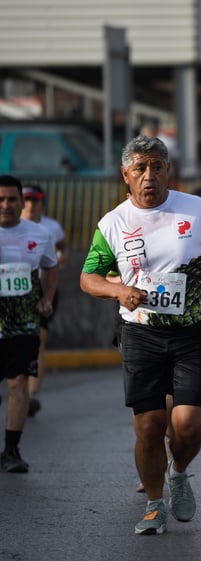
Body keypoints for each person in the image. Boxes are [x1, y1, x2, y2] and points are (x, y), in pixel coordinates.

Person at [79, 135, 201, 535]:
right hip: (140, 334)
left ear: (169, 170)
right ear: (126, 175)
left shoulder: (199, 209)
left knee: (188, 425)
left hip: (190, 333)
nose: (149, 175)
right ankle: (155, 505)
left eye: (157, 166)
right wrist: (120, 290)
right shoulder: (113, 223)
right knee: (150, 426)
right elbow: (88, 278)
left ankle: (180, 471)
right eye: (140, 168)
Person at [0, 175, 58, 473]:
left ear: (21, 202)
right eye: (1, 199)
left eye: (11, 199)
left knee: (18, 382)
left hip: (23, 319)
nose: (6, 205)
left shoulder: (39, 233)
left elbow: (51, 265)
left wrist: (47, 298)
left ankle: (11, 450)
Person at [20, 184, 67, 418]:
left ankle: (29, 396)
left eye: (35, 199)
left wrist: (60, 259)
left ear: (42, 202)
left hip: (42, 290)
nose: (30, 204)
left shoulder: (51, 228)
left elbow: (62, 249)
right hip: (11, 294)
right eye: (26, 199)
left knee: (39, 338)